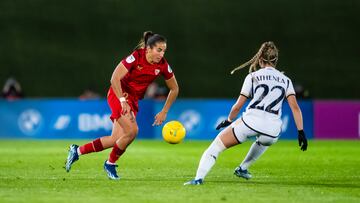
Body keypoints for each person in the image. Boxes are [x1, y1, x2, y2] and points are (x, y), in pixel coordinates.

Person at [184, 41, 308, 185]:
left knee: (216, 146)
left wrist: (229, 120)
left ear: (260, 59)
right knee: (264, 141)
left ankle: (198, 179)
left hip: (250, 122)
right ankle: (243, 168)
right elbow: (295, 108)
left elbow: (238, 106)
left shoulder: (253, 76)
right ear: (276, 60)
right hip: (273, 131)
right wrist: (301, 132)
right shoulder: (286, 80)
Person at [65, 31, 179, 180]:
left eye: (164, 50)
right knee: (132, 131)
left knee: (116, 139)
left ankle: (77, 151)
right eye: (159, 49)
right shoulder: (136, 57)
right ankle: (110, 163)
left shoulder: (163, 65)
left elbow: (175, 88)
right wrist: (122, 100)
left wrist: (164, 111)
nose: (162, 54)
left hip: (133, 100)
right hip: (118, 94)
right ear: (148, 48)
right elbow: (115, 78)